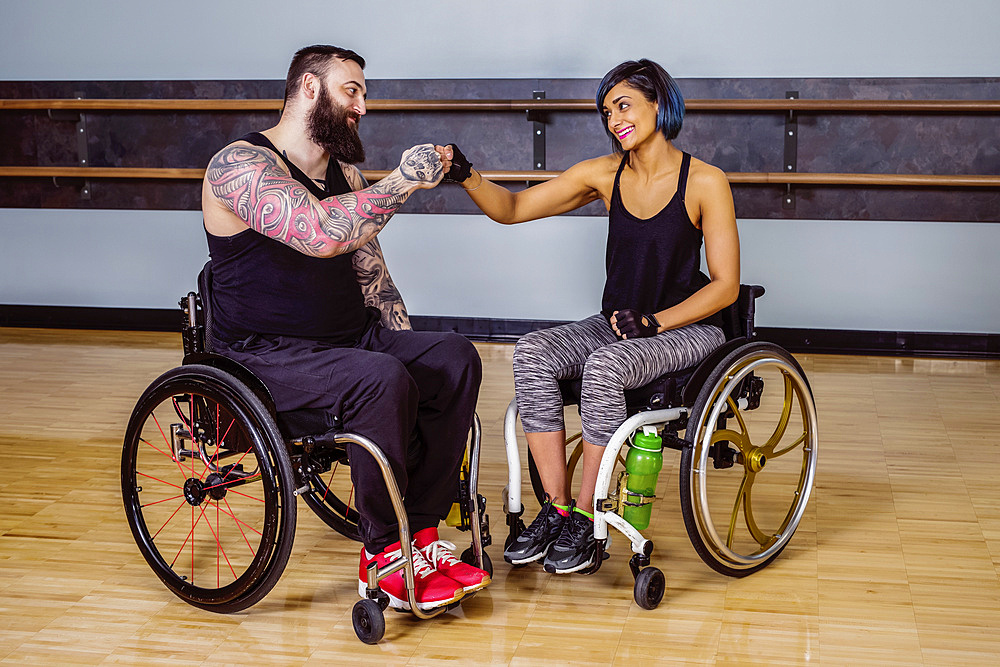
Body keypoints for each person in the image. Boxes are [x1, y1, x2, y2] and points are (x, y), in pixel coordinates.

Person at [201, 44, 489, 611]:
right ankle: (383, 556)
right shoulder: (237, 167)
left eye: (363, 92)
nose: (363, 104)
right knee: (378, 378)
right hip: (263, 356)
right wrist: (403, 181)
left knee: (454, 356)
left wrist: (413, 367)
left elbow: (373, 280)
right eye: (352, 90)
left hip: (348, 340)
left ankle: (421, 536)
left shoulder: (345, 174)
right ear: (310, 88)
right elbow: (323, 232)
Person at [444, 59, 740, 574]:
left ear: (658, 103)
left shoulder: (706, 182)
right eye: (606, 111)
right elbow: (512, 210)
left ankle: (587, 515)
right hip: (618, 323)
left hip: (689, 329)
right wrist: (466, 173)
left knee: (604, 365)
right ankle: (557, 510)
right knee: (533, 352)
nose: (614, 120)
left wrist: (657, 323)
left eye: (623, 106)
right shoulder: (604, 174)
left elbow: (726, 285)